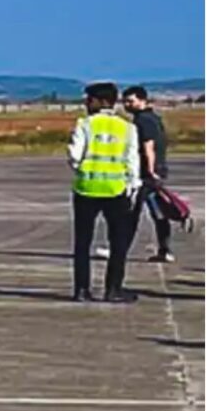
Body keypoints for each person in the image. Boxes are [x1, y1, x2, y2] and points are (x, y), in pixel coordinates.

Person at [67, 82, 139, 303]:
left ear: (102, 101)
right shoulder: (127, 127)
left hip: (86, 188)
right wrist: (131, 185)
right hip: (115, 190)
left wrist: (83, 168)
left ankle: (81, 290)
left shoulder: (85, 125)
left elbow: (74, 155)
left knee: (82, 242)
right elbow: (131, 160)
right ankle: (113, 289)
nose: (86, 104)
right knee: (118, 243)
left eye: (89, 99)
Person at [122, 85, 174, 263]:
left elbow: (148, 146)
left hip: (147, 174)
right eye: (125, 101)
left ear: (142, 100)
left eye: (131, 101)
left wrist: (150, 171)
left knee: (131, 211)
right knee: (158, 212)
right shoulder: (153, 118)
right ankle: (164, 249)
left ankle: (120, 248)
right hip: (156, 171)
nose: (127, 105)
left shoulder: (143, 120)